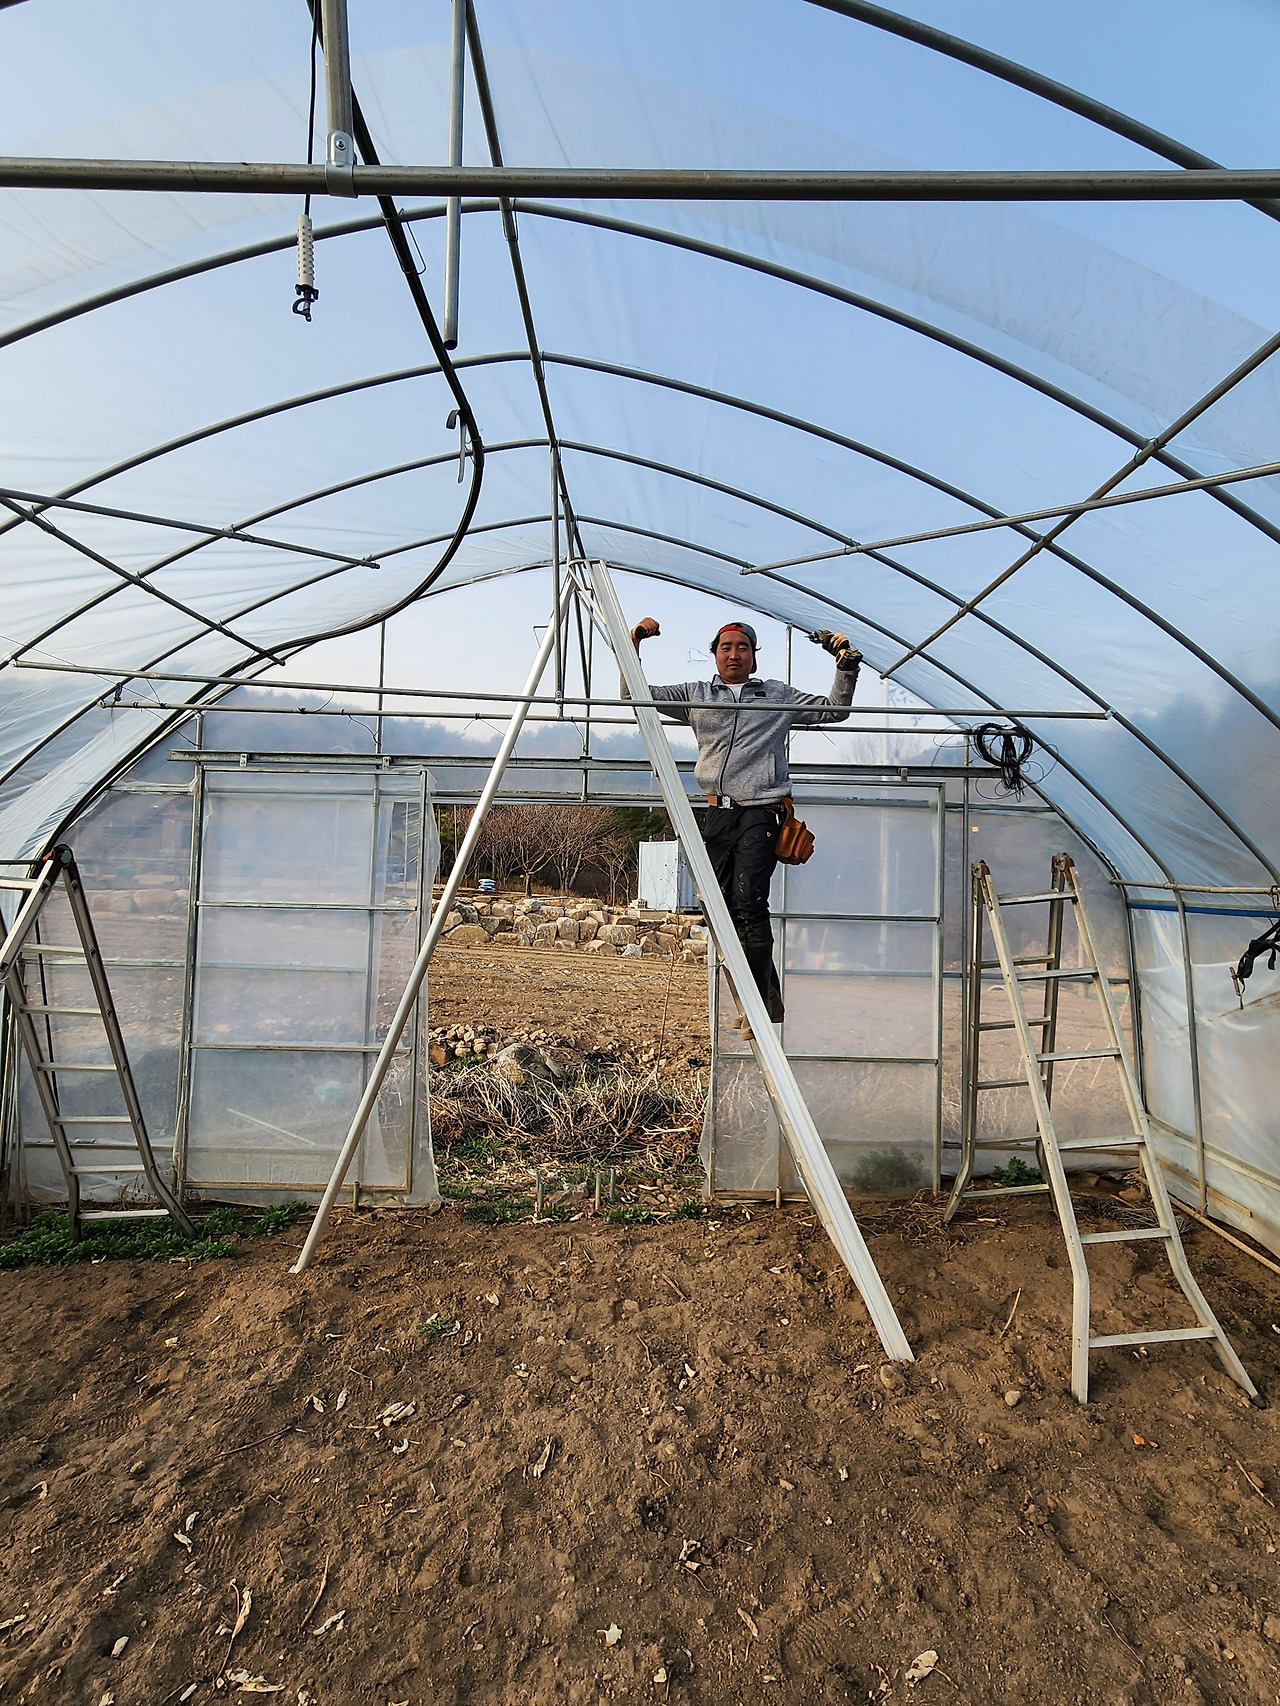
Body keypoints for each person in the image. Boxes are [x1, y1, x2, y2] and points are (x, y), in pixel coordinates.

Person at [626, 616, 862, 1037]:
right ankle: (763, 1002)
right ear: (715, 655)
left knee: (748, 903)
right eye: (726, 647)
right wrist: (634, 641)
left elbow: (836, 711)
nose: (734, 654)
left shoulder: (776, 695)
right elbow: (634, 696)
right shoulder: (695, 694)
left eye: (743, 647)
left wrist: (845, 667)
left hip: (761, 811)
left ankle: (756, 1008)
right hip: (717, 814)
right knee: (718, 910)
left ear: (753, 657)